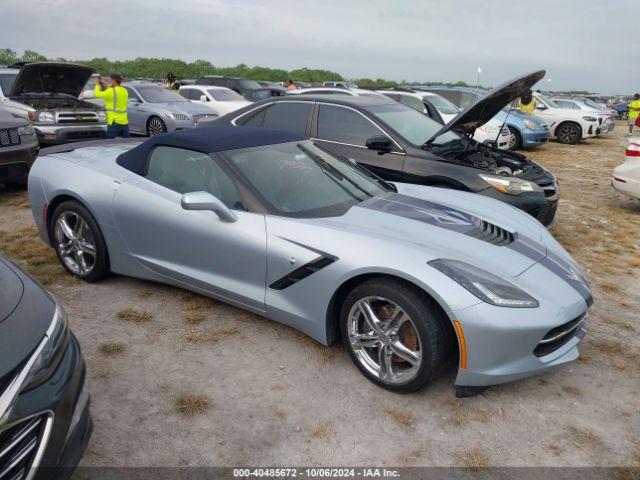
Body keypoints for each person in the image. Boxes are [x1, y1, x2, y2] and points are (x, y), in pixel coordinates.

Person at [94, 73, 130, 139]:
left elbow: (97, 94)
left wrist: (97, 85)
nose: (109, 81)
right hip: (124, 121)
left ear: (113, 80)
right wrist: (104, 84)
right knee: (128, 142)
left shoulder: (111, 91)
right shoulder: (125, 90)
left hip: (114, 122)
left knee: (108, 143)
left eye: (110, 80)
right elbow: (112, 91)